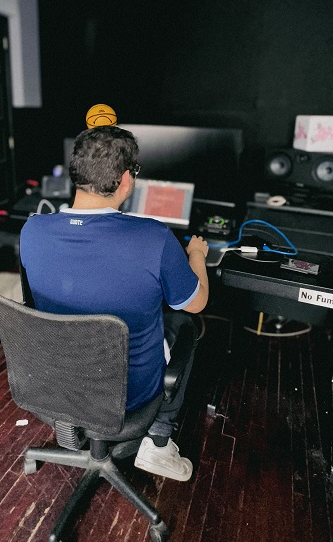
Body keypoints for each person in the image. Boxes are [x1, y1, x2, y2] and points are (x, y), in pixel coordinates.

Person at [19, 125, 209, 481]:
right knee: (186, 323)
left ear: (76, 173)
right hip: (128, 398)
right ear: (125, 179)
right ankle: (159, 442)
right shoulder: (154, 238)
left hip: (51, 384)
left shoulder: (32, 230)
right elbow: (196, 302)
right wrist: (197, 254)